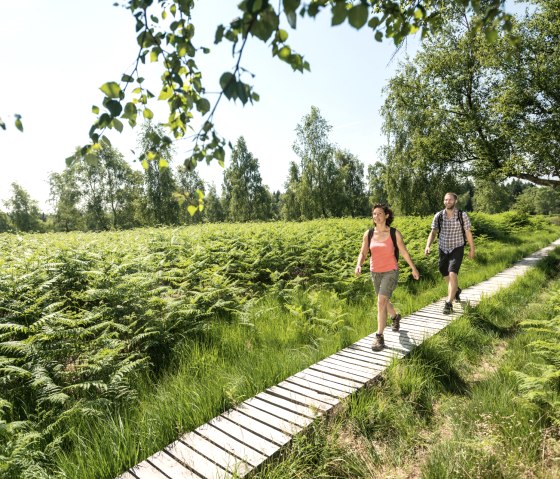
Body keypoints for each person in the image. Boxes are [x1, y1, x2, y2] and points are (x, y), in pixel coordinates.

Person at [355, 204, 420, 351]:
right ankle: (395, 317)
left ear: (386, 216)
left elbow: (404, 252)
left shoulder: (394, 233)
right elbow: (363, 252)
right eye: (374, 214)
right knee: (383, 300)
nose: (376, 216)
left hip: (390, 271)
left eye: (379, 213)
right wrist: (359, 264)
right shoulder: (369, 234)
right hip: (374, 272)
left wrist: (413, 268)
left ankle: (379, 337)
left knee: (381, 301)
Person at [424, 192, 475, 314]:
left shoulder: (462, 215)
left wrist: (472, 249)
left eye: (450, 200)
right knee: (443, 271)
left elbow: (468, 232)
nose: (448, 202)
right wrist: (427, 246)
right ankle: (456, 290)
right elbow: (433, 232)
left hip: (457, 247)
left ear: (455, 201)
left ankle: (448, 303)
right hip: (443, 248)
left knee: (452, 274)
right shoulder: (439, 216)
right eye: (446, 200)